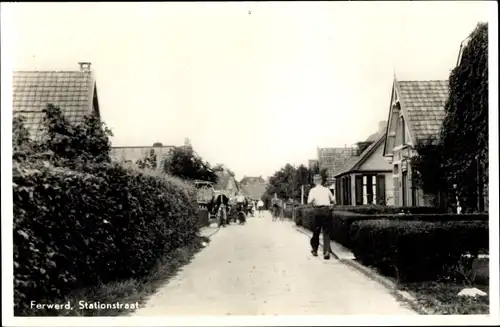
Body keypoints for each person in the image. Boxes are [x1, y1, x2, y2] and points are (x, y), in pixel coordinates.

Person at [307, 174, 335, 260]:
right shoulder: (327, 190)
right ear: (321, 181)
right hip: (326, 210)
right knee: (326, 231)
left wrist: (313, 205)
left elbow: (309, 201)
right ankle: (326, 252)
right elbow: (334, 201)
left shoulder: (313, 190)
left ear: (314, 181)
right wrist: (331, 207)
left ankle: (315, 250)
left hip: (317, 211)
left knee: (316, 231)